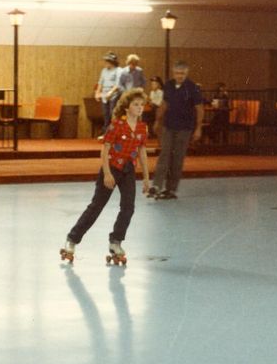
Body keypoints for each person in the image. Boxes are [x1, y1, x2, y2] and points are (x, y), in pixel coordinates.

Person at [60, 88, 151, 265]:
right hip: (111, 168)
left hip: (128, 170)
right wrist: (107, 174)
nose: (140, 107)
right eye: (135, 104)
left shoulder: (142, 127)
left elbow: (142, 151)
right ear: (127, 108)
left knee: (128, 207)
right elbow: (105, 149)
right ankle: (72, 240)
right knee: (96, 207)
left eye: (142, 105)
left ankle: (116, 242)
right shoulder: (116, 125)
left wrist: (146, 177)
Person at [149, 61, 204, 200]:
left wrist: (198, 128)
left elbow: (199, 108)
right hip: (168, 126)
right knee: (164, 155)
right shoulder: (168, 85)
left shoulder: (193, 88)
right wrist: (157, 120)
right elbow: (164, 104)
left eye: (183, 73)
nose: (180, 76)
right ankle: (156, 186)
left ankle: (171, 189)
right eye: (177, 73)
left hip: (185, 128)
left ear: (187, 73)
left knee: (177, 158)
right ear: (174, 73)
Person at [94, 51, 122, 137]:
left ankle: (115, 132)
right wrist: (97, 93)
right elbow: (100, 82)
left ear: (112, 62)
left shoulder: (119, 70)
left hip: (114, 95)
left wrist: (111, 92)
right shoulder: (104, 70)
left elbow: (118, 84)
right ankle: (106, 132)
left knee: (112, 114)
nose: (105, 63)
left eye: (107, 61)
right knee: (106, 114)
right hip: (104, 95)